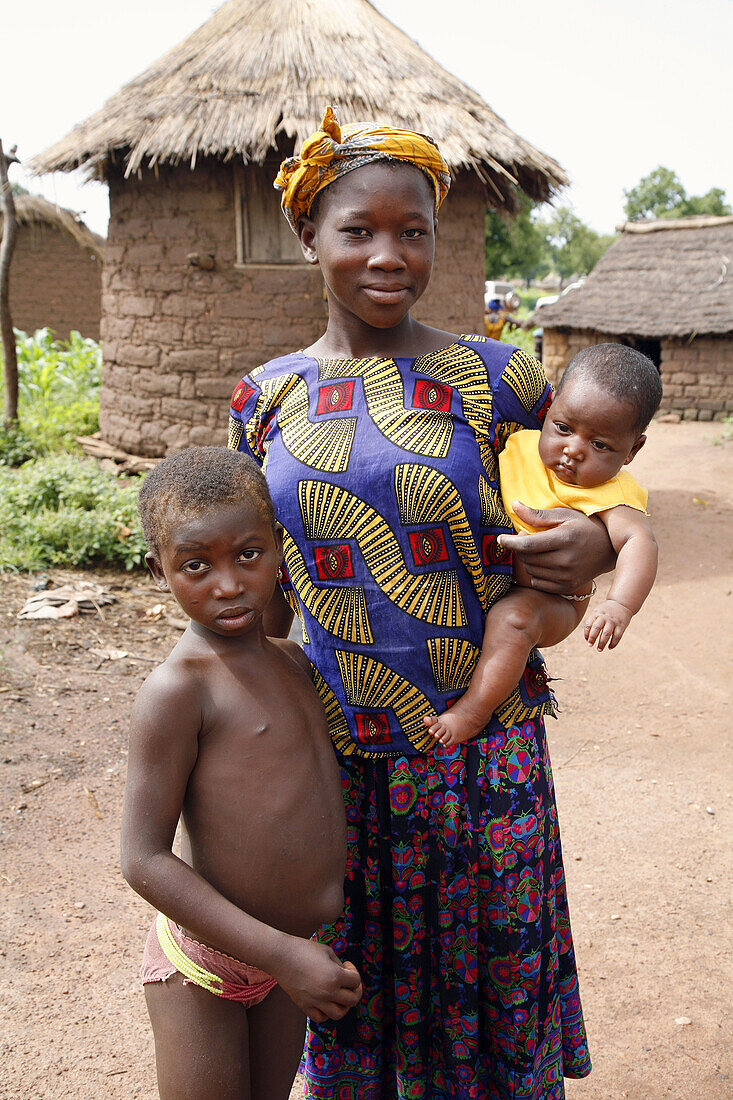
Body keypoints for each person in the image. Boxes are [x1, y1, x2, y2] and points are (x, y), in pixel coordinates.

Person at [228, 107, 614, 1098]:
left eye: (414, 231)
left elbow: (588, 508)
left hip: (481, 758)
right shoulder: (263, 396)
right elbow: (255, 601)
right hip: (334, 762)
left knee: (490, 1016)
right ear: (309, 234)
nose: (388, 254)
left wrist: (599, 543)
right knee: (355, 1005)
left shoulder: (497, 378)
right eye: (359, 229)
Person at [120, 446, 362, 1100]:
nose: (226, 584)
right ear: (158, 570)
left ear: (279, 549)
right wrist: (281, 955)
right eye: (195, 565)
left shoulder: (294, 665)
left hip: (290, 961)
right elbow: (142, 857)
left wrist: (289, 958)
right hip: (207, 968)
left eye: (247, 556)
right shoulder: (178, 690)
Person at [424, 343, 661, 748]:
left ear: (633, 450)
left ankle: (472, 712)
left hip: (556, 599)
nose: (574, 450)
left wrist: (620, 604)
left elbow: (640, 540)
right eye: (564, 428)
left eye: (600, 445)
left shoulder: (612, 490)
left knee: (513, 621)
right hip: (487, 583)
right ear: (548, 412)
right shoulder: (517, 444)